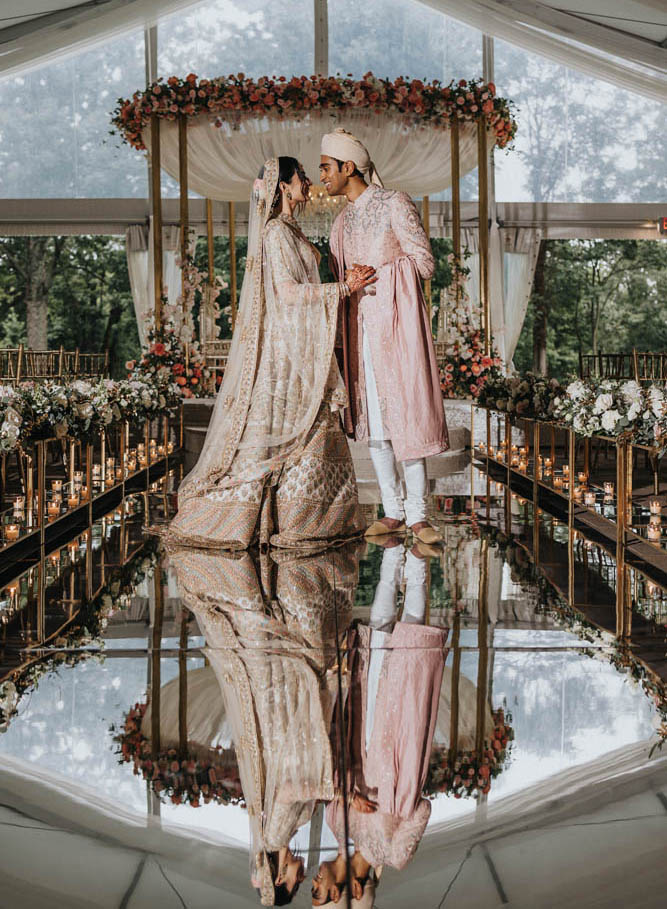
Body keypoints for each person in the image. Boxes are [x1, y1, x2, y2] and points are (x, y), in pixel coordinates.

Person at [166, 156, 374, 550]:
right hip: (287, 356)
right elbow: (288, 294)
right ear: (283, 186)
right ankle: (293, 519)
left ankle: (312, 518)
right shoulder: (276, 234)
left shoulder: (291, 230)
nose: (309, 183)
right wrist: (343, 289)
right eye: (302, 178)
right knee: (290, 434)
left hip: (304, 347)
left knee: (317, 429)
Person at [166, 541, 363, 906]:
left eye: (294, 881)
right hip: (288, 730)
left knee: (296, 644)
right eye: (309, 885)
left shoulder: (274, 836)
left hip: (284, 726)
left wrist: (336, 792)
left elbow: (289, 789)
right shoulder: (281, 834)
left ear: (277, 875)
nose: (303, 876)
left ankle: (282, 571)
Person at [321, 129, 449, 547]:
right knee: (375, 423)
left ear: (348, 167)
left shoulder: (395, 202)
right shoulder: (341, 222)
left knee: (405, 418)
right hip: (360, 333)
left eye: (326, 167)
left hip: (397, 328)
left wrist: (380, 277)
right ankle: (392, 510)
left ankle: (418, 515)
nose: (322, 175)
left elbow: (424, 264)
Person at [312, 539, 448, 906]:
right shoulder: (394, 855)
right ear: (351, 891)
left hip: (363, 730)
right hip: (399, 745)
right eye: (319, 894)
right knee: (412, 643)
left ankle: (392, 551)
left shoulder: (335, 824)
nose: (313, 882)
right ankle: (418, 560)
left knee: (378, 633)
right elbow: (423, 809)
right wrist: (390, 802)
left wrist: (347, 795)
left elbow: (329, 772)